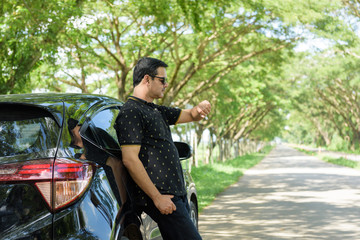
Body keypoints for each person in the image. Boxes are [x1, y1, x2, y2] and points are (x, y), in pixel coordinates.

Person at [114, 57, 211, 240]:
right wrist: (157, 198)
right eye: (162, 80)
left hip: (176, 195)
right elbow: (130, 159)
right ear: (146, 79)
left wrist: (200, 108)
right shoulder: (131, 112)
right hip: (163, 197)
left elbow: (191, 114)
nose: (166, 85)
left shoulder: (156, 110)